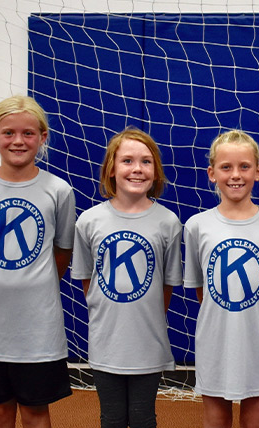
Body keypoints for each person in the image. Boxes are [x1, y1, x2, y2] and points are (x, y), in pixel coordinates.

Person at [0, 95, 76, 428]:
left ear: (43, 137)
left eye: (28, 133)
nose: (18, 141)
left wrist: (32, 281)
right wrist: (3, 275)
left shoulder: (59, 191)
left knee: (36, 411)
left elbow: (62, 252)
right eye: (8, 133)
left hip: (38, 328)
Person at [71, 127, 181, 428]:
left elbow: (167, 285)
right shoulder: (89, 221)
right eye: (127, 161)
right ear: (111, 168)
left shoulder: (168, 222)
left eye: (146, 162)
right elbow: (87, 282)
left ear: (156, 170)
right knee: (112, 418)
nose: (137, 169)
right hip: (106, 341)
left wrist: (146, 319)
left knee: (144, 417)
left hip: (148, 341)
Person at [184, 130, 259, 428]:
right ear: (211, 173)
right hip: (214, 341)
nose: (235, 175)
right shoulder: (197, 226)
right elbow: (200, 290)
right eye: (226, 167)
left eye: (244, 167)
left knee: (254, 422)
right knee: (216, 420)